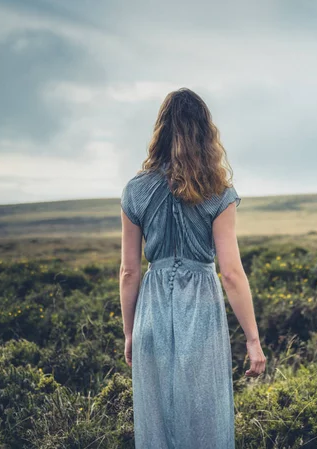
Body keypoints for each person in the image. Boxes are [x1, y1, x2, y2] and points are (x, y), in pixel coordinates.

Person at [119, 87, 266, 449]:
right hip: (200, 304)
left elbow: (129, 271)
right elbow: (231, 273)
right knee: (204, 415)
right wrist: (252, 339)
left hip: (151, 310)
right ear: (205, 132)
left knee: (158, 419)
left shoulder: (135, 190)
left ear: (161, 130)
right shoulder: (218, 191)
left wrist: (129, 333)